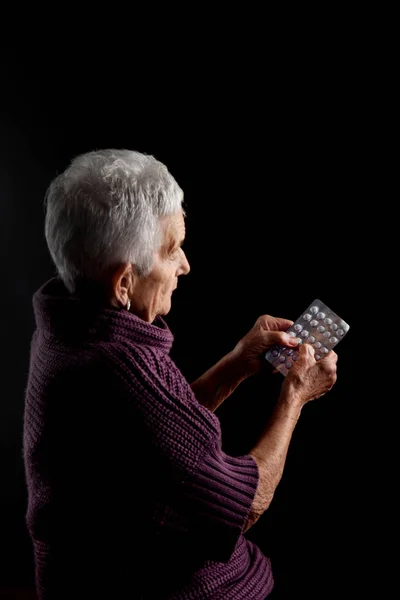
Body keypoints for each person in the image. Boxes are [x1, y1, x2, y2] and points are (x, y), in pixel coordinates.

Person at [23, 149, 338, 599]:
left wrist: (236, 363)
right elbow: (242, 507)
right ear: (124, 283)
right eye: (172, 250)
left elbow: (151, 440)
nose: (185, 266)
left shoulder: (66, 327)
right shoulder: (123, 368)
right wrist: (296, 394)